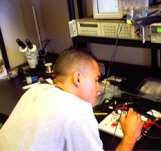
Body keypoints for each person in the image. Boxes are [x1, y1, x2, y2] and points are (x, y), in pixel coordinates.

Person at [0, 48, 143, 151]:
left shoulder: (35, 90)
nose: (99, 88)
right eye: (96, 80)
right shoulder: (78, 111)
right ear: (78, 78)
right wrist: (130, 136)